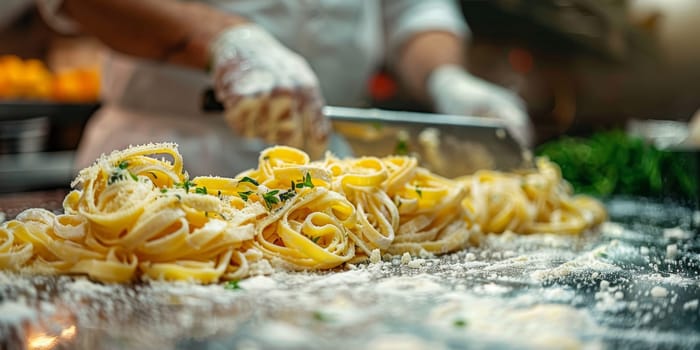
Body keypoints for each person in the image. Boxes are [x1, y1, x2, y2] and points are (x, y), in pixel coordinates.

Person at [37, 0, 532, 176]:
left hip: (333, 165)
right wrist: (222, 40)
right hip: (164, 158)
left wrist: (447, 78)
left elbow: (415, 10)